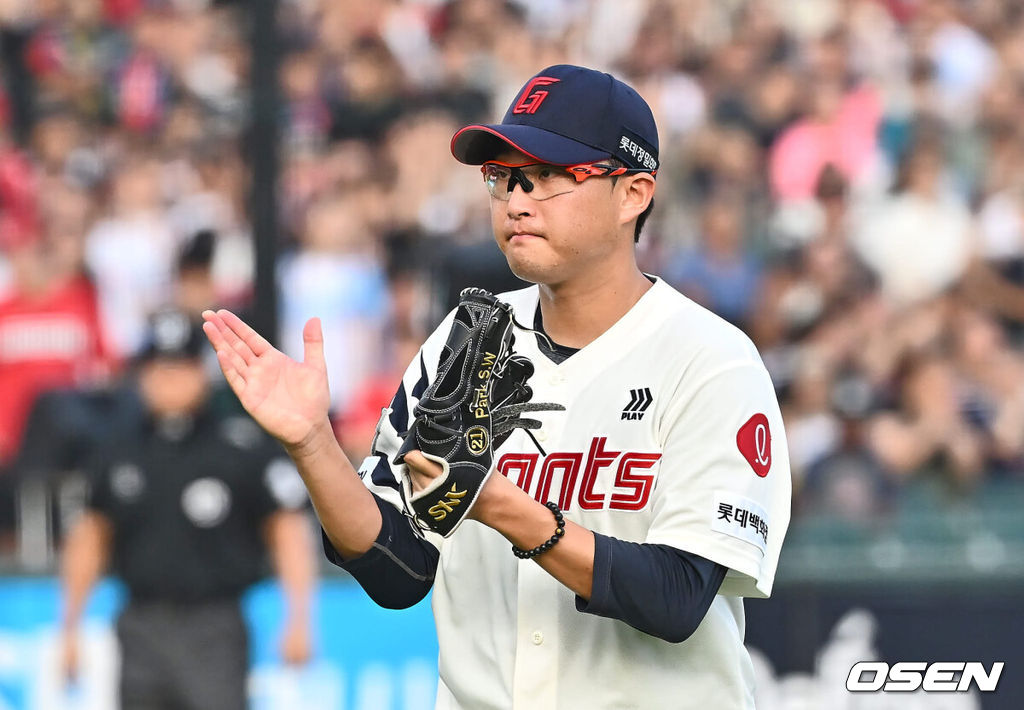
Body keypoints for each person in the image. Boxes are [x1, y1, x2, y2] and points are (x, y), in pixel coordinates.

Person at [203, 65, 791, 709]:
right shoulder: (468, 340)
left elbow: (677, 597)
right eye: (502, 179)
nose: (516, 201)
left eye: (547, 177)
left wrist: (498, 505)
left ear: (634, 194)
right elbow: (396, 570)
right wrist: (313, 443)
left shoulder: (709, 360)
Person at [59, 308, 315, 710]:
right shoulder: (117, 451)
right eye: (158, 369)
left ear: (201, 371)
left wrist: (299, 618)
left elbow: (286, 530)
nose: (168, 380)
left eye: (179, 368)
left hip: (214, 626)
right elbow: (90, 537)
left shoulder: (239, 447)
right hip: (141, 623)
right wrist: (70, 627)